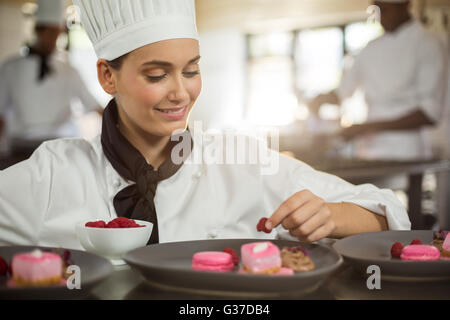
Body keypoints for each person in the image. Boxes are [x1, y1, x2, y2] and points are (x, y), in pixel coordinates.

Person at [0, 0, 410, 249]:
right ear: (108, 76)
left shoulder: (241, 161)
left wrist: (331, 215)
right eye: (157, 75)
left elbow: (387, 210)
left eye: (191, 70)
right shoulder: (55, 173)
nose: (180, 92)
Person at [308, 0, 448, 161]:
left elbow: (430, 113)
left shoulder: (428, 44)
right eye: (376, 10)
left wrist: (367, 127)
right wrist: (318, 100)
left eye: (385, 10)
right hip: (369, 150)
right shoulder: (370, 48)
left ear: (405, 6)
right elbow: (343, 92)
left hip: (408, 153)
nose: (380, 17)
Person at [0, 0, 102, 162]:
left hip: (61, 149)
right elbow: (1, 113)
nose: (53, 38)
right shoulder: (10, 68)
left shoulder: (69, 70)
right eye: (49, 32)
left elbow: (94, 106)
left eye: (57, 33)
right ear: (37, 30)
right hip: (20, 149)